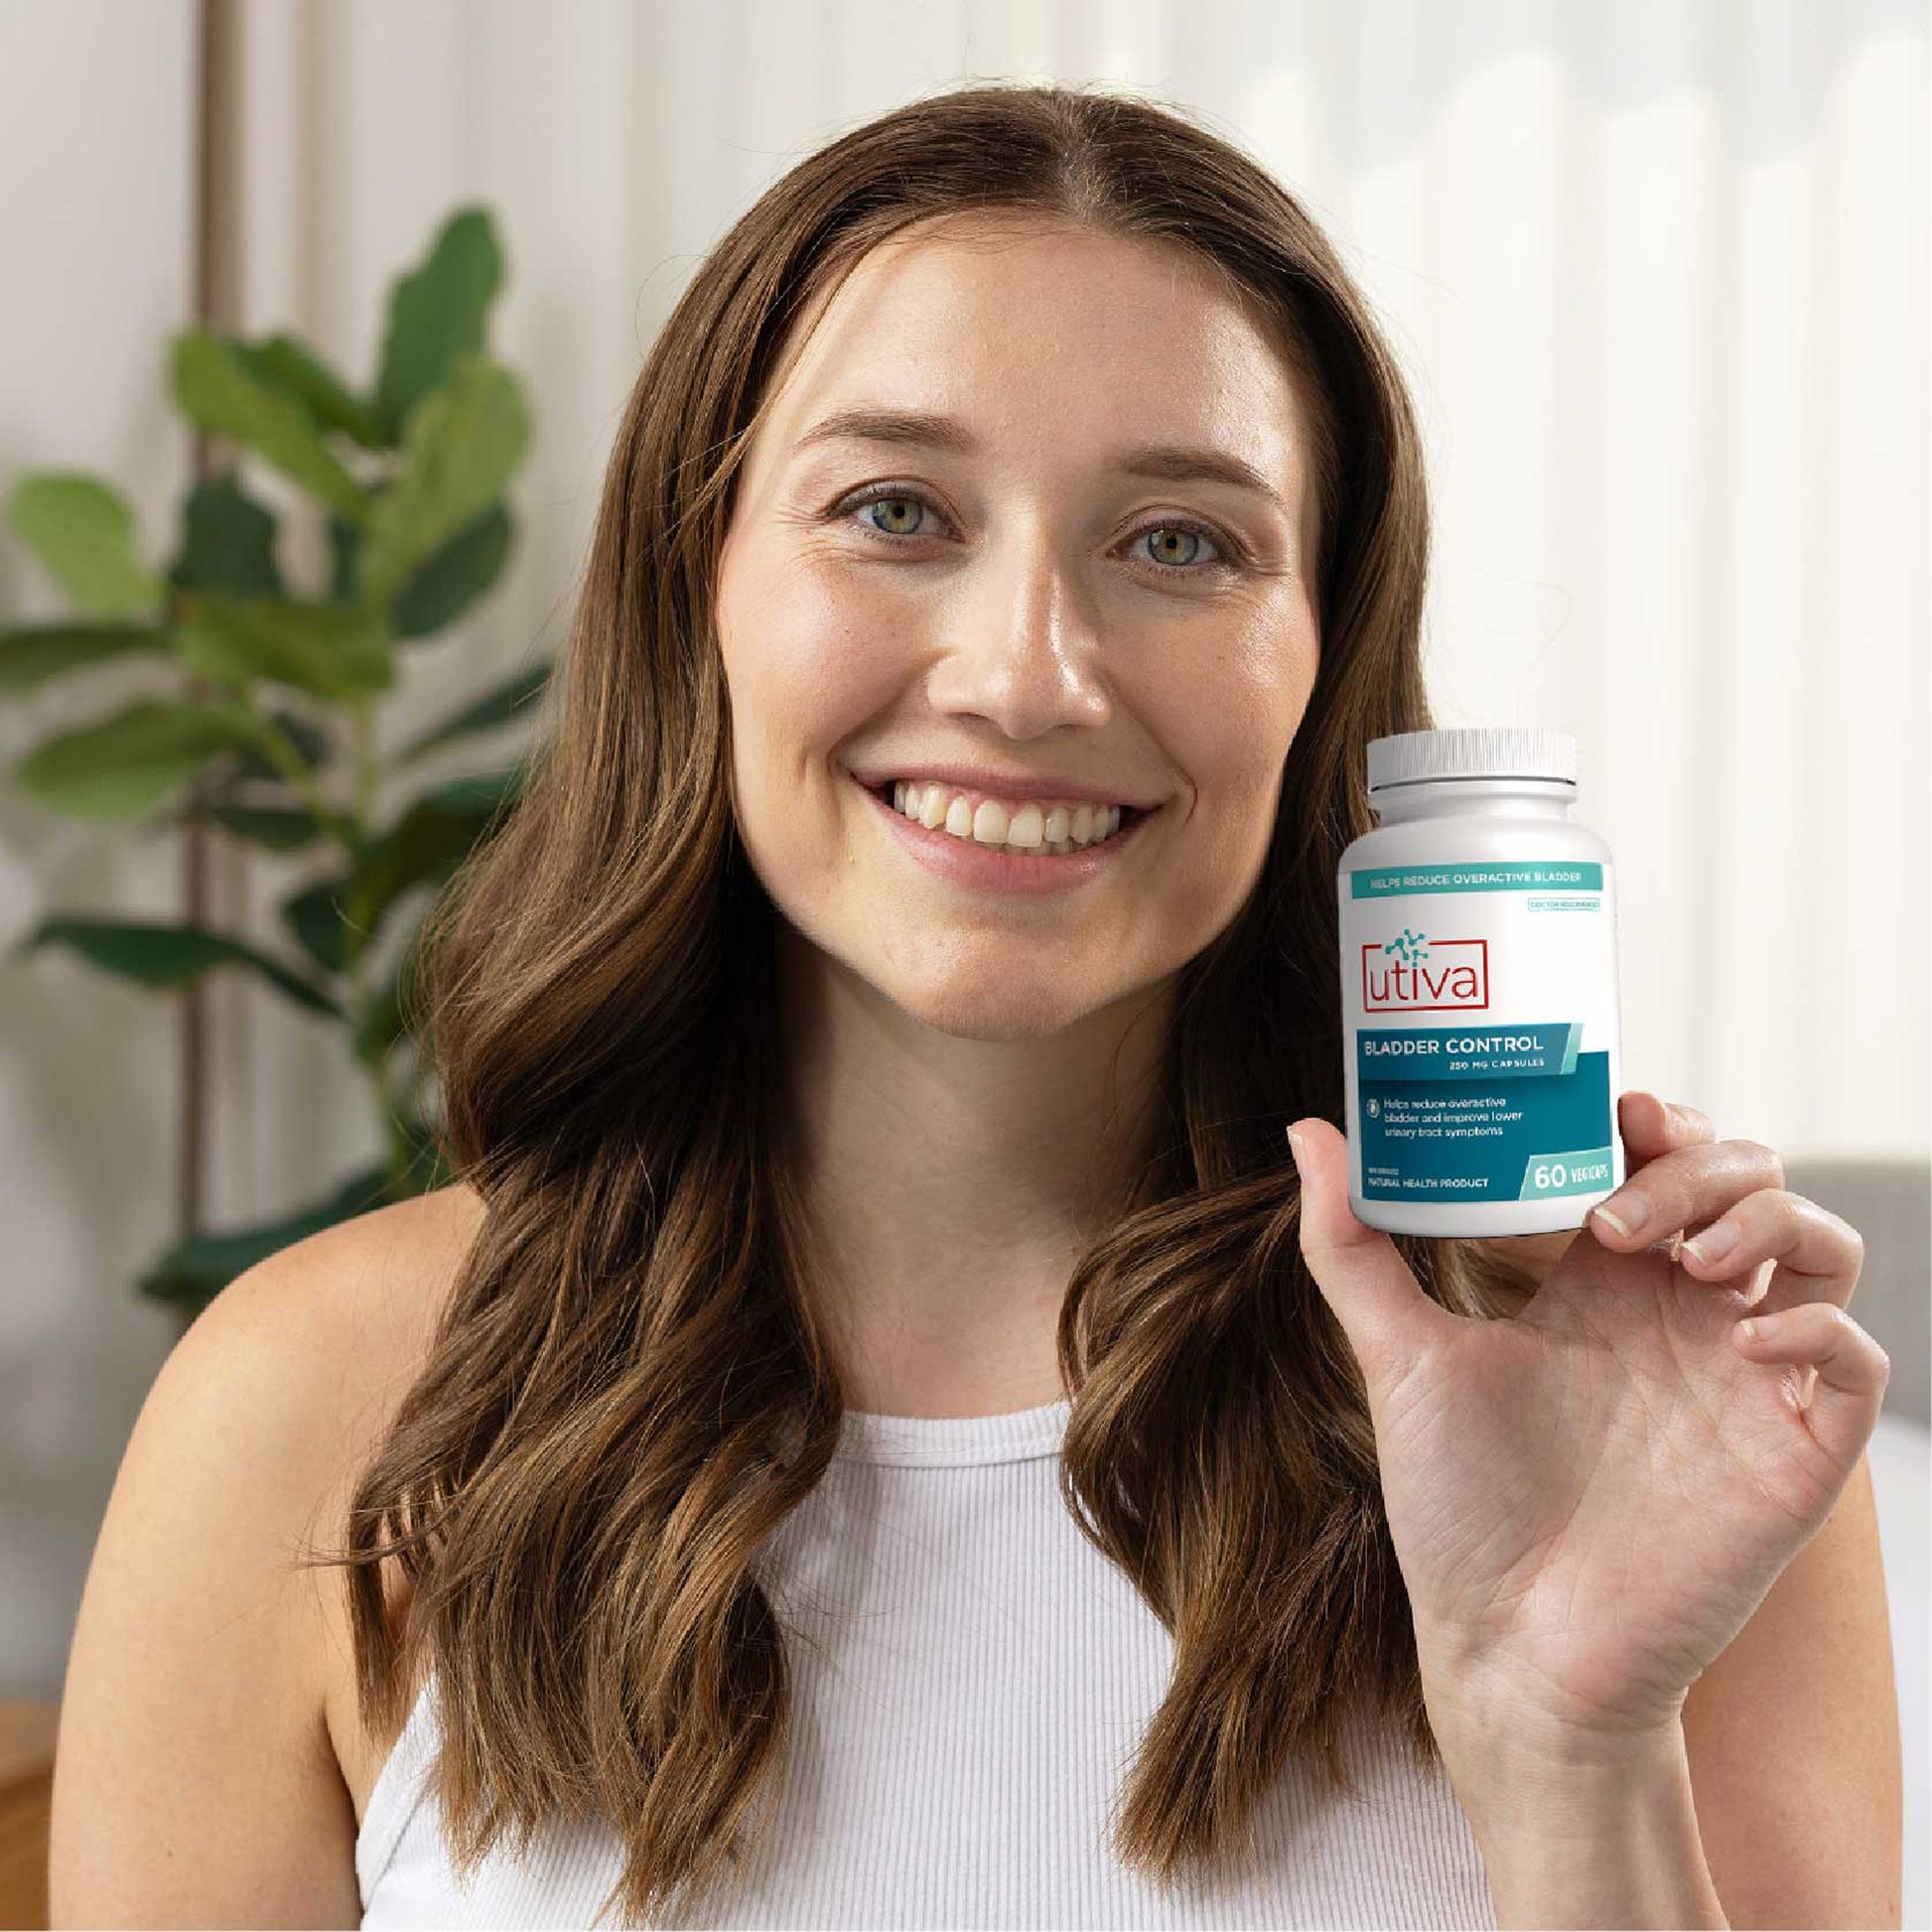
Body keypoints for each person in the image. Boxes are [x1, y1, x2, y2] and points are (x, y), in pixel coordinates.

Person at [50, 80, 1899, 1931]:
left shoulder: (1637, 1432)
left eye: (1181, 539)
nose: (1025, 676)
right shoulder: (308, 1411)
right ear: (694, 588)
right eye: (893, 509)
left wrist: (1572, 1748)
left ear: (1319, 658)